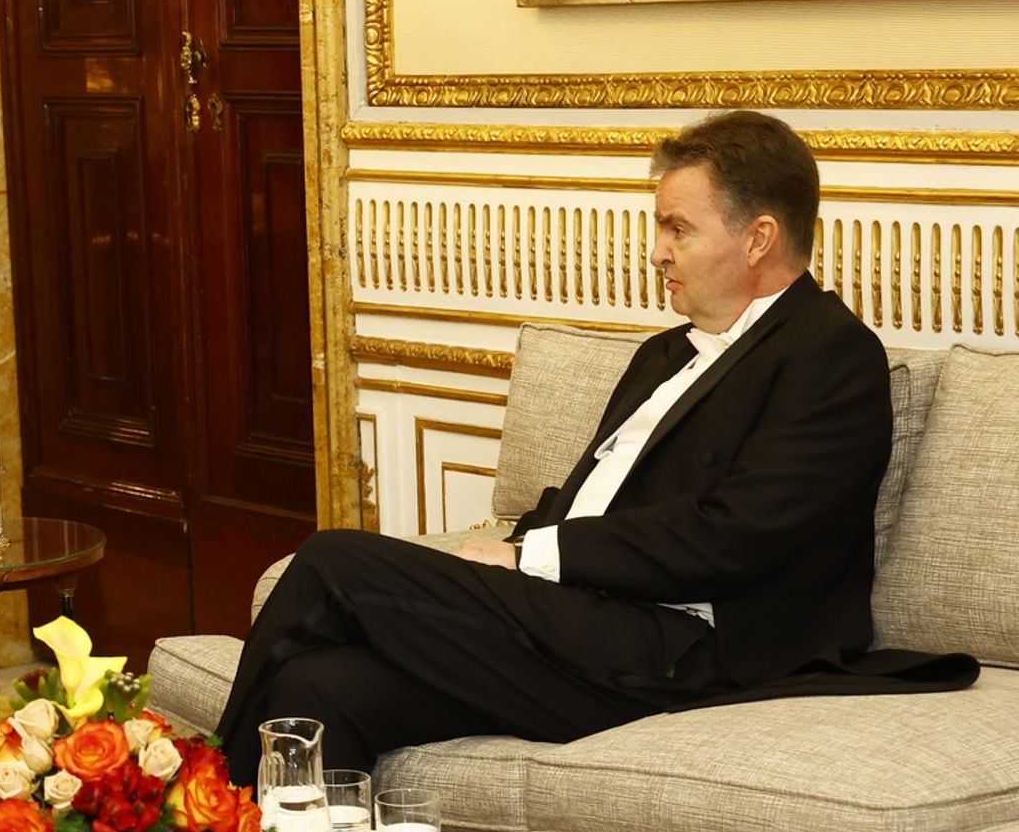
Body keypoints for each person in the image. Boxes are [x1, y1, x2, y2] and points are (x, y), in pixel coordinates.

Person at [214, 109, 976, 787]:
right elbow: (595, 499)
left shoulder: (830, 355)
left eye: (678, 227)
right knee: (318, 685)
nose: (657, 252)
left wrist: (530, 558)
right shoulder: (665, 353)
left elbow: (735, 536)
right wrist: (509, 548)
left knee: (332, 561)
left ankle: (187, 825)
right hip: (583, 619)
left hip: (690, 650)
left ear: (759, 239)